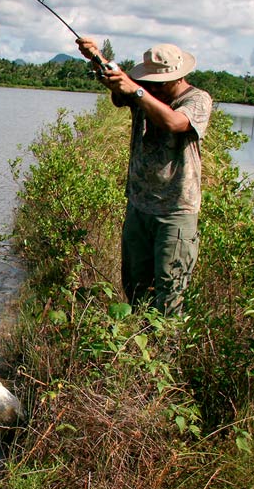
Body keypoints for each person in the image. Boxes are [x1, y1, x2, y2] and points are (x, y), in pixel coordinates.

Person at [76, 38, 212, 316]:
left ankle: (167, 352)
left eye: (158, 83)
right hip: (139, 206)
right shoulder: (147, 92)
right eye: (148, 82)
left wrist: (138, 91)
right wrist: (96, 57)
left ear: (177, 77)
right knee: (136, 287)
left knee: (170, 291)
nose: (152, 87)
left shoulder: (196, 99)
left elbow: (174, 122)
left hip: (176, 211)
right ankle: (139, 348)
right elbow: (116, 82)